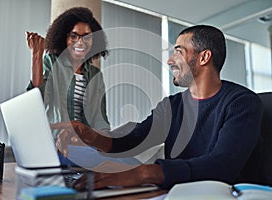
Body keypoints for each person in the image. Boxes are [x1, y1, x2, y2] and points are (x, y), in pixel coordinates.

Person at [53, 25, 263, 190]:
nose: (170, 60)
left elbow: (222, 165)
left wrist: (144, 173)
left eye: (179, 52)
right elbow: (131, 140)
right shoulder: (172, 106)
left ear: (204, 57)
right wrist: (89, 135)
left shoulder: (242, 103)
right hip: (179, 192)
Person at [25, 7, 110, 141]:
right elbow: (37, 100)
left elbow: (100, 119)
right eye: (73, 36)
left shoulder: (96, 75)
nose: (80, 42)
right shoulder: (52, 62)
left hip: (85, 144)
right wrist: (37, 56)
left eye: (87, 37)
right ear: (64, 37)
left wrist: (108, 142)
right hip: (55, 143)